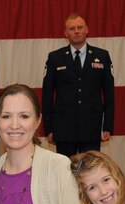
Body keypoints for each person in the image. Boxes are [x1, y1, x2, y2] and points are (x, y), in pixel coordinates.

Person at [41, 12, 114, 157]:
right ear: (65, 33)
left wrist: (108, 126)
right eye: (72, 28)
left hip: (92, 126)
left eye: (79, 27)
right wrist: (49, 128)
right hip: (63, 128)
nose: (76, 31)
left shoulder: (102, 56)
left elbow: (109, 94)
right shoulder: (55, 58)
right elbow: (47, 95)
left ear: (86, 29)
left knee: (91, 170)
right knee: (65, 171)